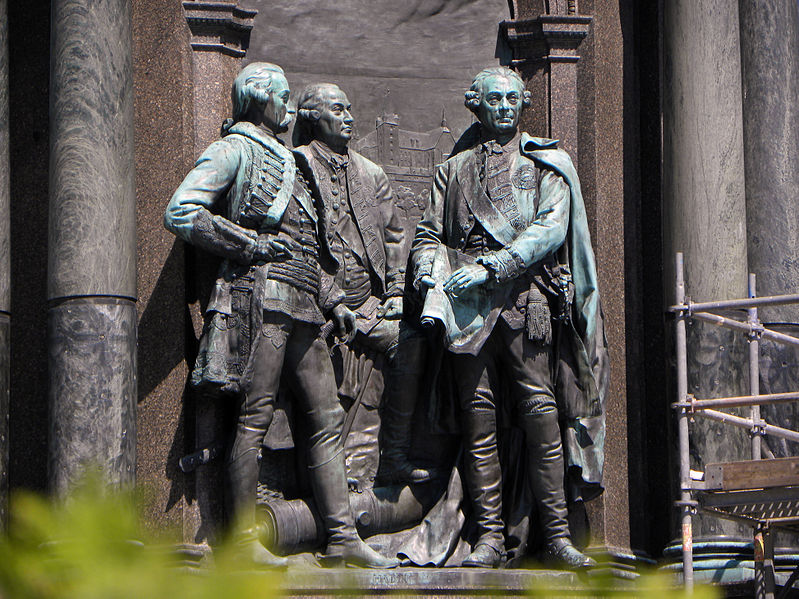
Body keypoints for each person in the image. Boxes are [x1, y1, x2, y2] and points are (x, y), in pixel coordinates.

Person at [164, 62, 398, 569]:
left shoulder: (287, 158)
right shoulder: (234, 149)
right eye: (283, 97)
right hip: (258, 300)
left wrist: (334, 301)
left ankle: (341, 537)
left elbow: (308, 247)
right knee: (253, 418)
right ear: (258, 99)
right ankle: (245, 538)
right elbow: (182, 210)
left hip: (305, 305)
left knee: (327, 417)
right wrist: (248, 242)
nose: (289, 107)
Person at [411, 66, 606, 569]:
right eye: (494, 99)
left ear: (522, 106)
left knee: (542, 421)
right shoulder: (452, 172)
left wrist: (491, 267)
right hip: (467, 315)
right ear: (475, 104)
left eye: (513, 99)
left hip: (526, 304)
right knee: (479, 429)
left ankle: (558, 538)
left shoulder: (547, 166)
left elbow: (549, 228)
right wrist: (429, 275)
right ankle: (490, 539)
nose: (505, 107)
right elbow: (429, 234)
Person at [293, 83, 432, 486]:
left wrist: (393, 293)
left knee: (412, 341)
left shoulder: (371, 173)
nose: (349, 117)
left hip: (367, 304)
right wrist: (330, 297)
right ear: (311, 116)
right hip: (311, 301)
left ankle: (395, 455)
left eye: (351, 109)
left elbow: (394, 237)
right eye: (338, 110)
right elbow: (294, 244)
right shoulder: (295, 166)